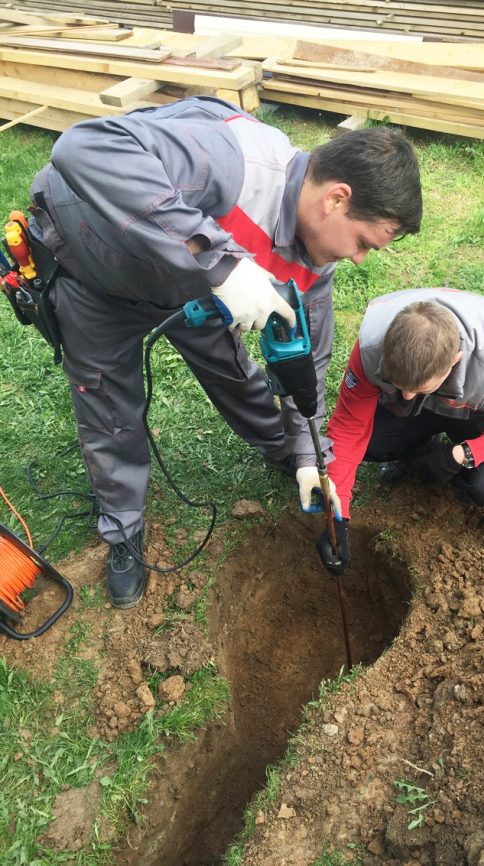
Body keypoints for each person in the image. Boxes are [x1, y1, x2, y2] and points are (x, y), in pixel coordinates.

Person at [27, 96, 422, 608]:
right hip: (96, 268)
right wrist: (224, 266)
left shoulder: (315, 260)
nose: (360, 258)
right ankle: (123, 529)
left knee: (237, 373)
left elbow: (307, 367)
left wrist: (309, 456)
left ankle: (288, 454)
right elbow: (83, 147)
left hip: (192, 282)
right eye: (365, 242)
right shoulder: (232, 164)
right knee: (108, 406)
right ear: (336, 199)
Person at [316, 287, 484, 576]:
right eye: (397, 383)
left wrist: (463, 454)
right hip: (420, 413)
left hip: (479, 413)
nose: (405, 395)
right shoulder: (372, 349)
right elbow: (347, 427)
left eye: (417, 387)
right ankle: (420, 449)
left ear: (454, 360)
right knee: (370, 441)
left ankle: (460, 470)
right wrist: (338, 513)